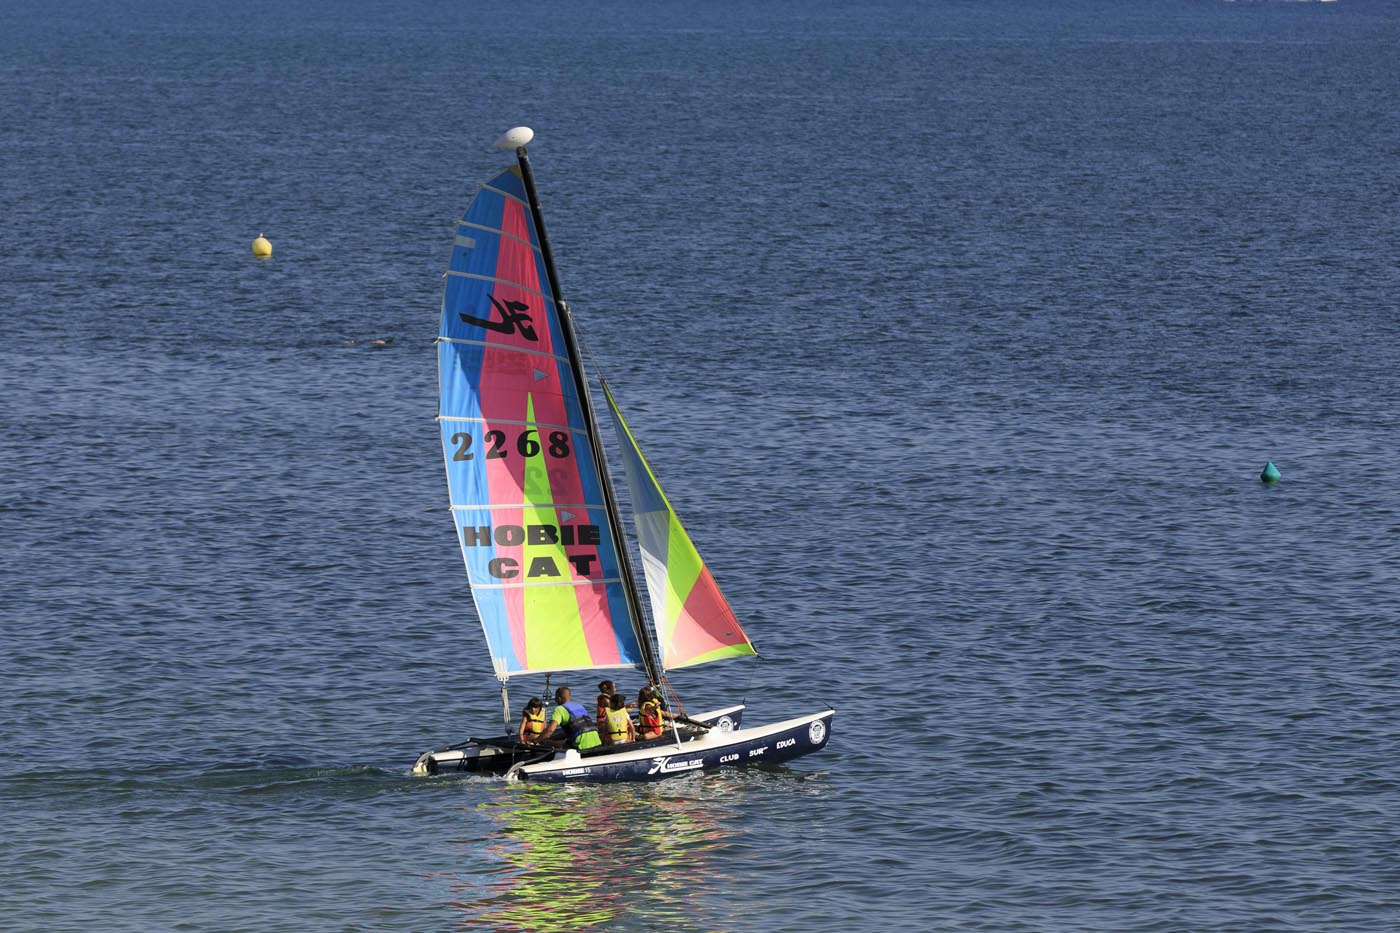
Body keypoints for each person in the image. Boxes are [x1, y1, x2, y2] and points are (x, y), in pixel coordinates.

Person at [537, 686, 601, 750]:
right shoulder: (580, 706)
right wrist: (553, 737)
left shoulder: (560, 709)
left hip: (581, 745)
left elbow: (550, 730)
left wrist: (536, 741)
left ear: (559, 698)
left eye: (555, 699)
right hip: (596, 741)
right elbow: (577, 727)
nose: (556, 701)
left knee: (547, 742)